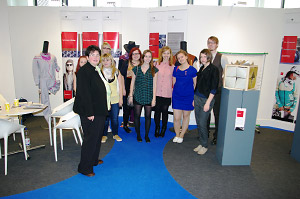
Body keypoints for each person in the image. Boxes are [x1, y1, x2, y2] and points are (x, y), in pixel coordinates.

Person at [73, 45, 108, 177]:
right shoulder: (84, 71)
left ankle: (93, 160)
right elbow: (84, 94)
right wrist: (89, 113)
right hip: (90, 112)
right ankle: (84, 167)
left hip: (98, 110)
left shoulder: (94, 69)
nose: (95, 57)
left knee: (97, 137)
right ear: (87, 57)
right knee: (90, 139)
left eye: (97, 55)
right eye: (92, 55)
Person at [128, 50, 158, 143]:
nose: (147, 58)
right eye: (146, 56)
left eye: (149, 56)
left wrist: (154, 99)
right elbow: (132, 83)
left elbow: (155, 85)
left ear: (151, 58)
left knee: (148, 116)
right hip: (138, 95)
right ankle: (138, 135)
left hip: (149, 96)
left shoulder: (154, 70)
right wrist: (131, 95)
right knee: (137, 116)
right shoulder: (136, 69)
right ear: (142, 57)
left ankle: (146, 135)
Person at [193, 49, 219, 155]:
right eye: (201, 56)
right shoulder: (202, 68)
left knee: (203, 123)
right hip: (197, 98)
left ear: (209, 57)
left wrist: (208, 103)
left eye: (204, 56)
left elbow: (214, 88)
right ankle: (201, 142)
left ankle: (205, 145)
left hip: (206, 100)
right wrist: (193, 99)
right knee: (199, 122)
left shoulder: (214, 69)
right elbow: (198, 85)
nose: (202, 59)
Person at [172, 50, 197, 144]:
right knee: (176, 118)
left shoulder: (193, 70)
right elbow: (174, 83)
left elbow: (195, 85)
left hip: (188, 97)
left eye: (182, 57)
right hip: (177, 97)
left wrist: (194, 98)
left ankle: (181, 135)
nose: (180, 59)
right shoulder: (176, 69)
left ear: (186, 57)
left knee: (186, 116)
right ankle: (177, 135)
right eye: (178, 58)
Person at [207, 36, 228, 145]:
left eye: (213, 43)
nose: (210, 45)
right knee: (206, 113)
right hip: (206, 90)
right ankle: (205, 134)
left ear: (217, 44)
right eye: (209, 43)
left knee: (217, 114)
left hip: (217, 90)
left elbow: (226, 73)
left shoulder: (222, 57)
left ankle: (216, 136)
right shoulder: (205, 56)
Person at [100, 53, 123, 143]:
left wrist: (121, 99)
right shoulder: (99, 72)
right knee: (105, 119)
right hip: (103, 100)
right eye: (104, 60)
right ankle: (104, 135)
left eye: (107, 60)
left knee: (115, 118)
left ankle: (115, 134)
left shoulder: (117, 72)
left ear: (111, 61)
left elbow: (120, 87)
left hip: (115, 99)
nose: (105, 62)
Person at [119, 47, 142, 133]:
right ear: (131, 55)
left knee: (137, 108)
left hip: (139, 88)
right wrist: (123, 89)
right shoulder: (126, 63)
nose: (135, 55)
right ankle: (125, 125)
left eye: (137, 53)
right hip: (127, 86)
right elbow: (121, 76)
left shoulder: (142, 64)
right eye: (133, 54)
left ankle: (136, 124)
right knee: (127, 108)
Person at [154, 46, 174, 138]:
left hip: (167, 93)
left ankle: (164, 128)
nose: (166, 55)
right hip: (157, 92)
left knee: (164, 111)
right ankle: (157, 127)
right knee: (157, 111)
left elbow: (174, 82)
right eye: (164, 53)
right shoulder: (156, 64)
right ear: (161, 54)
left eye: (168, 53)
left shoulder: (173, 67)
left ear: (170, 55)